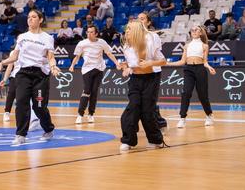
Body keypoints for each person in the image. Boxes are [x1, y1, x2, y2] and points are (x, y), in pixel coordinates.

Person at [0, 10, 61, 146]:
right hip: (23, 74)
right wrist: (2, 62)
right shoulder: (22, 37)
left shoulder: (47, 38)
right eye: (29, 17)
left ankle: (48, 129)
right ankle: (20, 134)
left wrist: (53, 67)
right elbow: (15, 57)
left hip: (40, 75)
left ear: (40, 20)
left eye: (34, 17)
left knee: (39, 107)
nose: (30, 19)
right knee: (21, 103)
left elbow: (50, 57)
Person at [119, 21, 166, 151]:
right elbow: (129, 63)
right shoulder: (126, 46)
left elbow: (163, 61)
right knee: (133, 107)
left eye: (129, 28)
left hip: (151, 78)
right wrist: (126, 67)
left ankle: (155, 139)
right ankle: (128, 140)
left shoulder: (151, 39)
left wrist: (150, 62)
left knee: (147, 110)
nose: (126, 31)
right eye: (126, 28)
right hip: (135, 79)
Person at [167, 25, 216, 128]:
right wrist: (166, 64)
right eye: (192, 30)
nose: (193, 31)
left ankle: (209, 115)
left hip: (200, 69)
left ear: (201, 32)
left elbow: (205, 62)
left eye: (196, 29)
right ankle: (182, 118)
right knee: (186, 93)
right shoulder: (187, 45)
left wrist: (209, 67)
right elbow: (182, 61)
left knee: (202, 95)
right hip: (188, 69)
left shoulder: (205, 46)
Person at [70, 25, 121, 124]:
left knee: (94, 91)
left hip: (99, 69)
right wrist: (72, 65)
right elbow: (77, 56)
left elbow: (109, 54)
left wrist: (117, 63)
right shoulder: (82, 43)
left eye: (91, 32)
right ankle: (80, 115)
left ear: (96, 33)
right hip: (87, 70)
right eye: (88, 32)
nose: (89, 34)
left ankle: (91, 114)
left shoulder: (102, 42)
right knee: (87, 90)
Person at [0, 61, 41, 131]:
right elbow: (10, 66)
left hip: (30, 77)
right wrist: (4, 79)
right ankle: (7, 112)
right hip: (16, 77)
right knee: (15, 97)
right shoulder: (14, 52)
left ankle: (35, 119)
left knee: (34, 99)